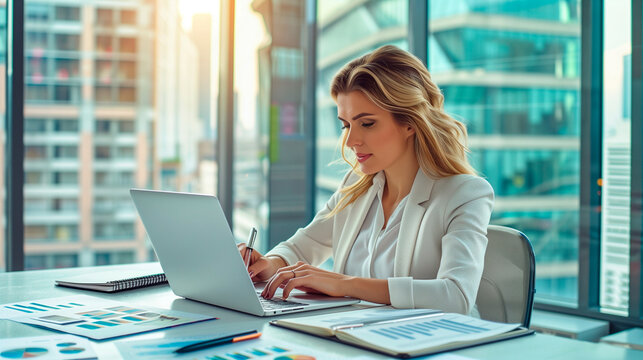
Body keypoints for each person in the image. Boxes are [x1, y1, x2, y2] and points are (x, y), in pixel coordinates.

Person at [238, 45, 494, 315]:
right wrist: (270, 264)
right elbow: (303, 246)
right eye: (346, 124)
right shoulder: (356, 187)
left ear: (410, 122)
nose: (350, 141)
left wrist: (346, 284)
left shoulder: (465, 194)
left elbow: (456, 296)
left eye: (367, 123)